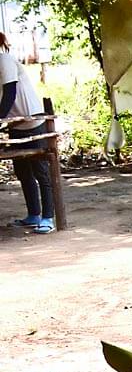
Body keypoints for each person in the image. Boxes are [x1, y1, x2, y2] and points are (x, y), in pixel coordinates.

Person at [0, 32, 55, 233]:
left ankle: (48, 217)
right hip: (16, 125)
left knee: (41, 172)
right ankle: (33, 215)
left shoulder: (4, 60)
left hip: (32, 122)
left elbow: (10, 93)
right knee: (23, 173)